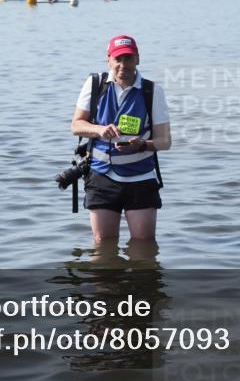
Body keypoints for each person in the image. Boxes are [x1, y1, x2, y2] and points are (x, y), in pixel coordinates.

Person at [71, 35, 172, 243]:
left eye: (128, 58)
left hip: (141, 178)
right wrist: (99, 130)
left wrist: (142, 144)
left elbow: (165, 141)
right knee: (103, 245)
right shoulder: (95, 84)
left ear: (137, 59)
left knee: (144, 246)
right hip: (101, 177)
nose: (123, 65)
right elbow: (76, 125)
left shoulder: (152, 91)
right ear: (109, 60)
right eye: (118, 59)